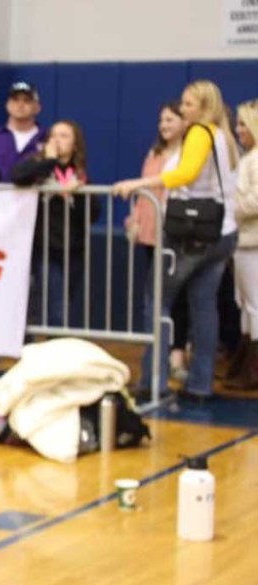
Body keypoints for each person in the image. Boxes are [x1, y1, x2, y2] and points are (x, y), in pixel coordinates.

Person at [115, 80, 239, 400]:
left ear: (204, 107)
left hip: (191, 233)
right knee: (204, 305)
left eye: (188, 104)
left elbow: (185, 174)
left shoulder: (199, 132)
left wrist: (138, 183)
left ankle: (153, 380)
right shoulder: (225, 137)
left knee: (157, 301)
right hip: (222, 231)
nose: (183, 110)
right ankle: (200, 384)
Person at [125, 102, 191, 381]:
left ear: (185, 123)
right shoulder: (154, 153)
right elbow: (144, 189)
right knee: (155, 294)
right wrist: (135, 220)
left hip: (176, 231)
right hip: (151, 231)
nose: (164, 125)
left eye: (170, 119)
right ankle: (157, 353)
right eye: (161, 120)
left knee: (178, 296)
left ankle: (177, 352)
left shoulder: (189, 155)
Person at [13, 119, 100, 328]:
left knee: (62, 304)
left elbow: (93, 214)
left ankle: (47, 339)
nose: (57, 140)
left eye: (64, 136)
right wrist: (50, 160)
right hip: (44, 248)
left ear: (75, 144)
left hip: (72, 250)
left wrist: (76, 194)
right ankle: (45, 342)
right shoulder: (39, 165)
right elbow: (17, 175)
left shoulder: (79, 175)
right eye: (53, 136)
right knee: (56, 308)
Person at [226, 98, 258, 389]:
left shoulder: (255, 160)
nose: (238, 130)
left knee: (254, 304)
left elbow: (255, 200)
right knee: (247, 304)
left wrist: (230, 208)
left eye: (243, 124)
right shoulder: (249, 159)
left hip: (252, 242)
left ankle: (252, 369)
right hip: (245, 241)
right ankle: (245, 363)